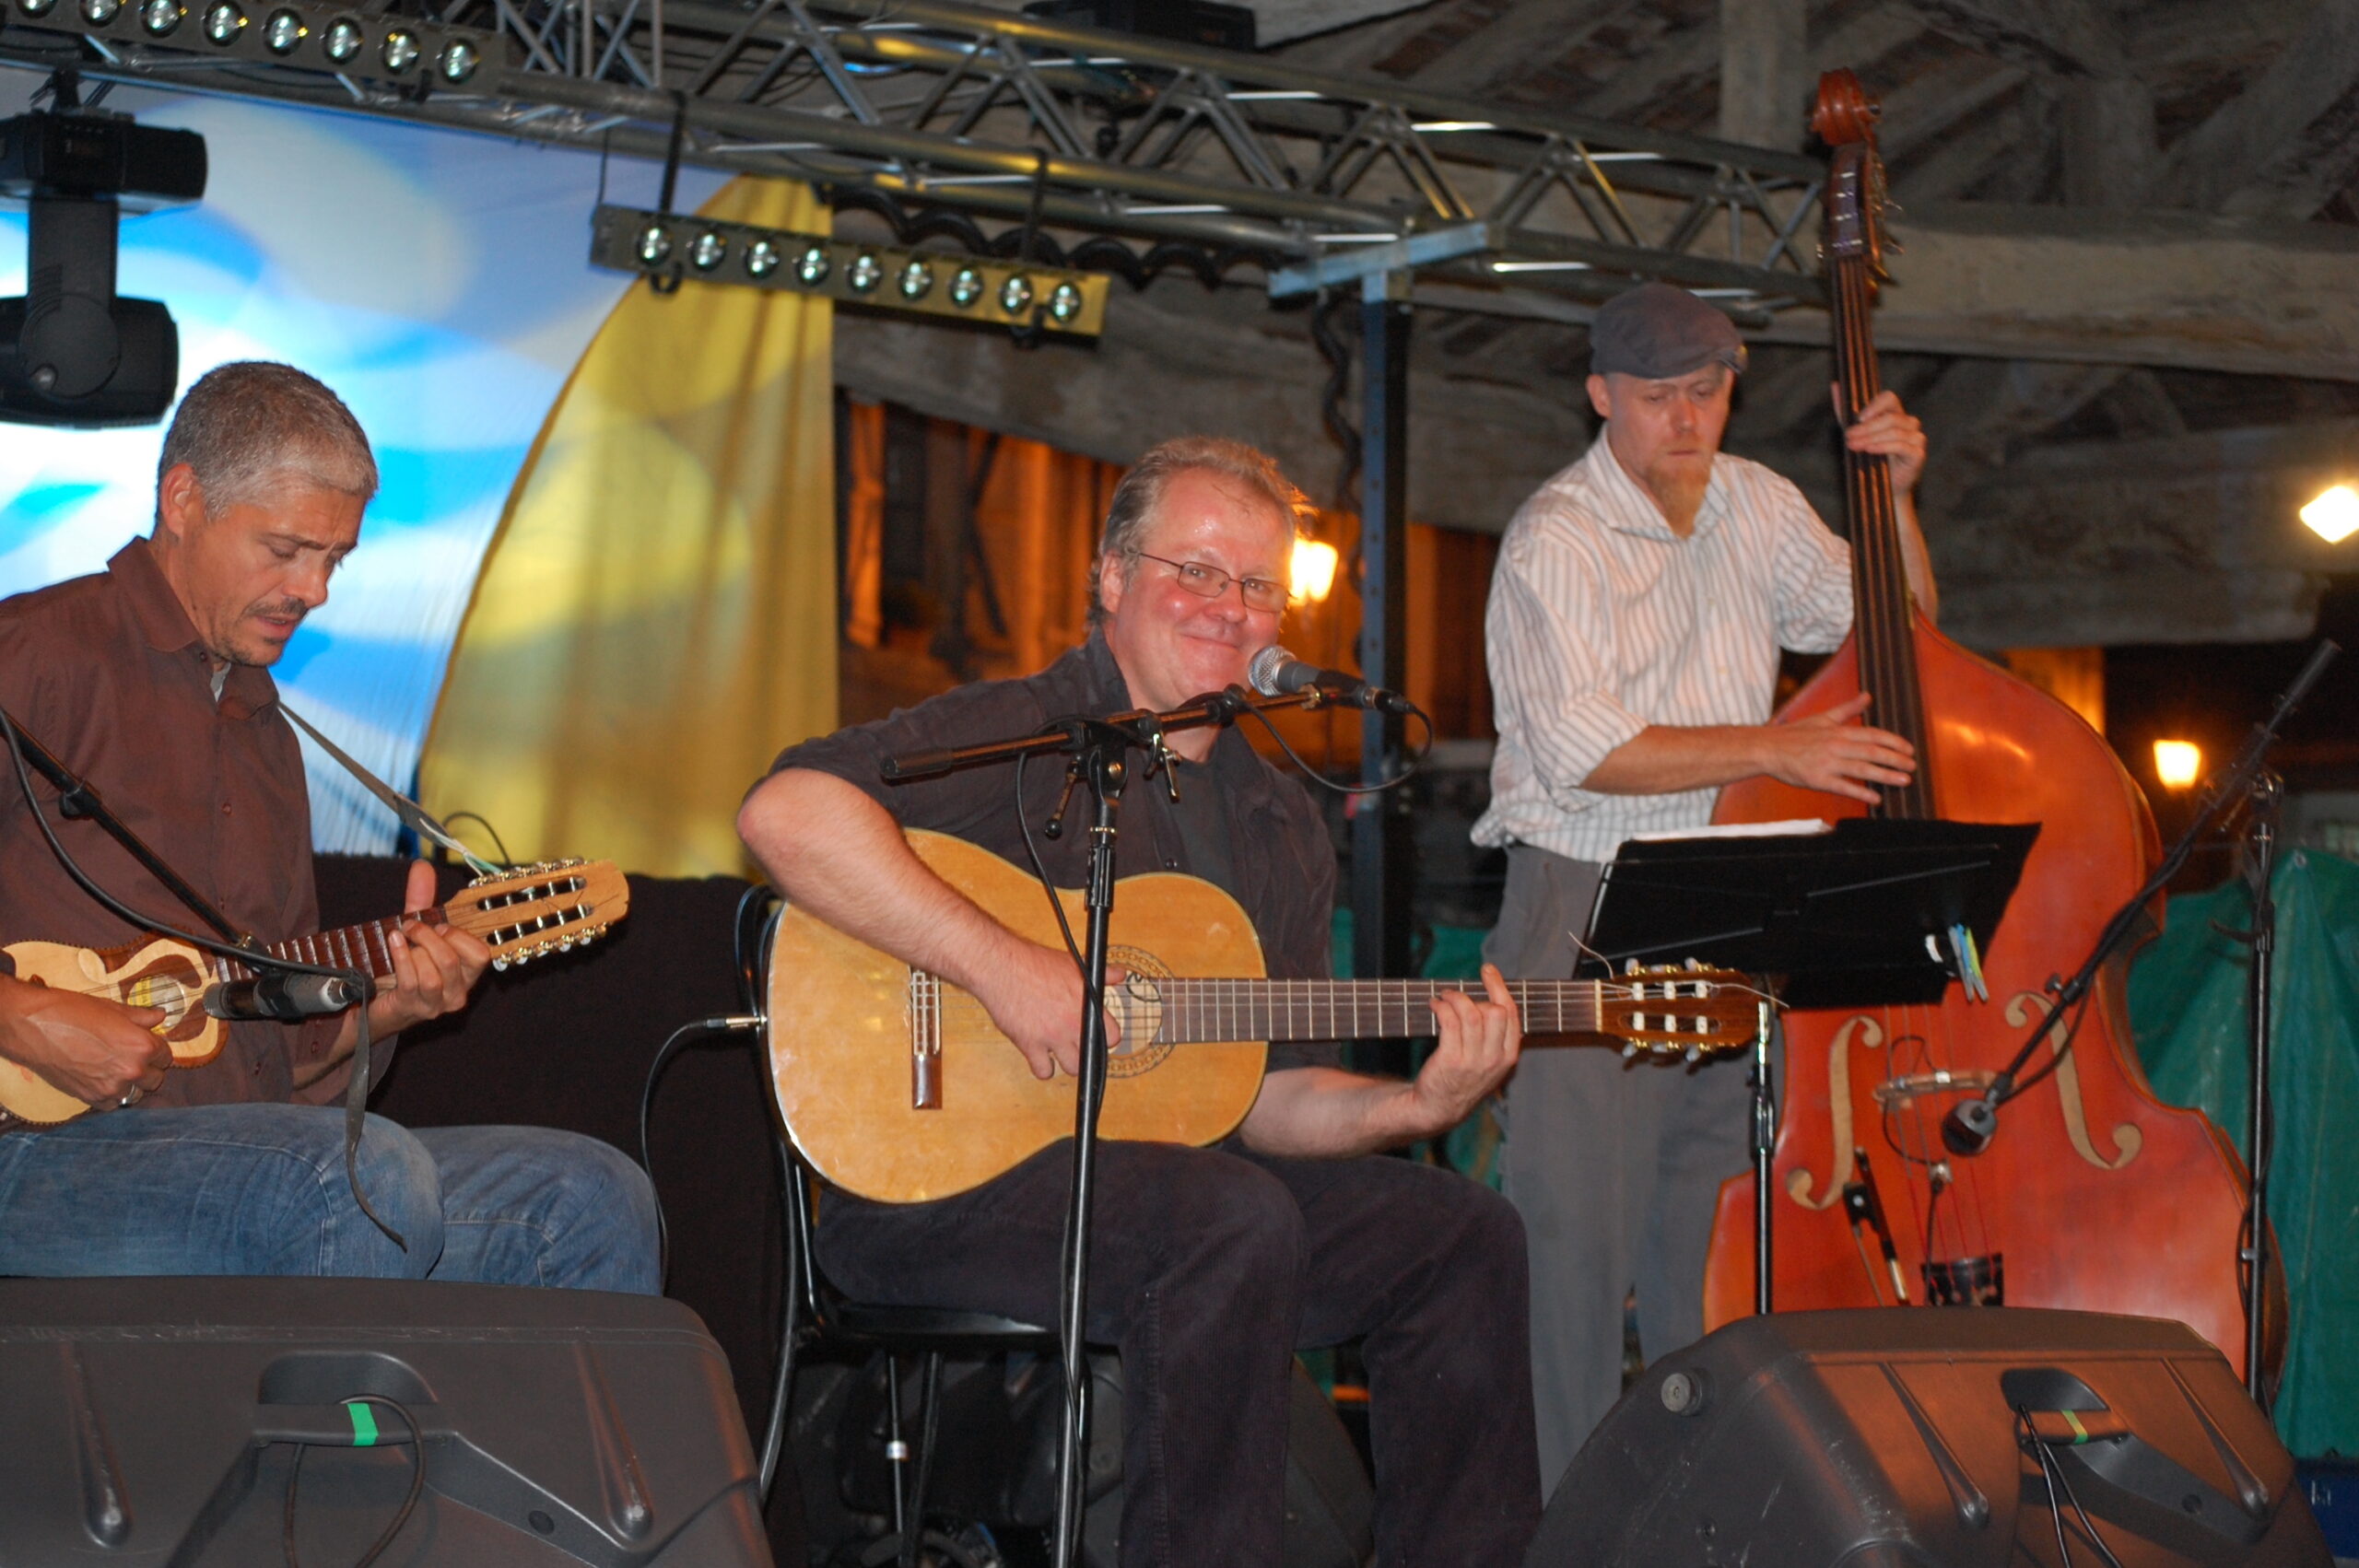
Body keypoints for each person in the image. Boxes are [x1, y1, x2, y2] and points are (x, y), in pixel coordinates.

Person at [739, 436, 1541, 1568]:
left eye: (1258, 583)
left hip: (1174, 1193)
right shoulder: (1022, 735)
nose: (1230, 606)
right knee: (1226, 1216)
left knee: (1461, 1235)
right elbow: (786, 813)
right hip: (930, 1185)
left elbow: (1262, 1099)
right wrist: (1002, 964)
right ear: (1111, 580)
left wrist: (1416, 1107)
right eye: (1196, 571)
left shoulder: (1278, 821)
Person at [0, 360, 658, 1292]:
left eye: (334, 559)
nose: (314, 591)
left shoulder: (265, 732)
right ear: (183, 499)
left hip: (238, 1165)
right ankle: (328, 1443)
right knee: (357, 1178)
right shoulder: (33, 656)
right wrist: (26, 1019)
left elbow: (281, 1074)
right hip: (31, 1156)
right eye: (284, 550)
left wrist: (388, 1006)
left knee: (586, 1197)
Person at [1474, 283, 1937, 1486]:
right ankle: (1566, 1533)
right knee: (1573, 1257)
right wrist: (1774, 746)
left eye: (1707, 391)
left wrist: (1891, 500)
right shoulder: (1555, 533)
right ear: (1600, 395)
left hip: (1726, 899)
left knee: (1716, 1235)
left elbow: (1898, 631)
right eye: (1657, 394)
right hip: (1586, 892)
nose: (1686, 417)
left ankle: (1705, 1516)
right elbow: (1587, 749)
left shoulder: (1760, 502)